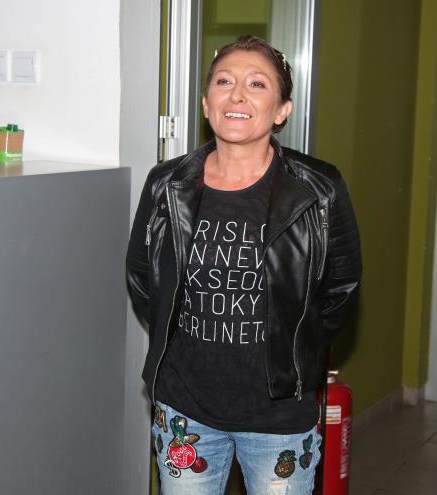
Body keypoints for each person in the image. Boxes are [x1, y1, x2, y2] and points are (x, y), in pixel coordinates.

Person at [126, 35, 361, 495]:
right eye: (224, 82)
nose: (237, 95)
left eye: (257, 84)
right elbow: (143, 281)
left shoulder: (319, 188)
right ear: (206, 103)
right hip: (184, 409)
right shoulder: (165, 184)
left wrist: (297, 352)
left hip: (280, 414)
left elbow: (341, 290)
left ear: (281, 110)